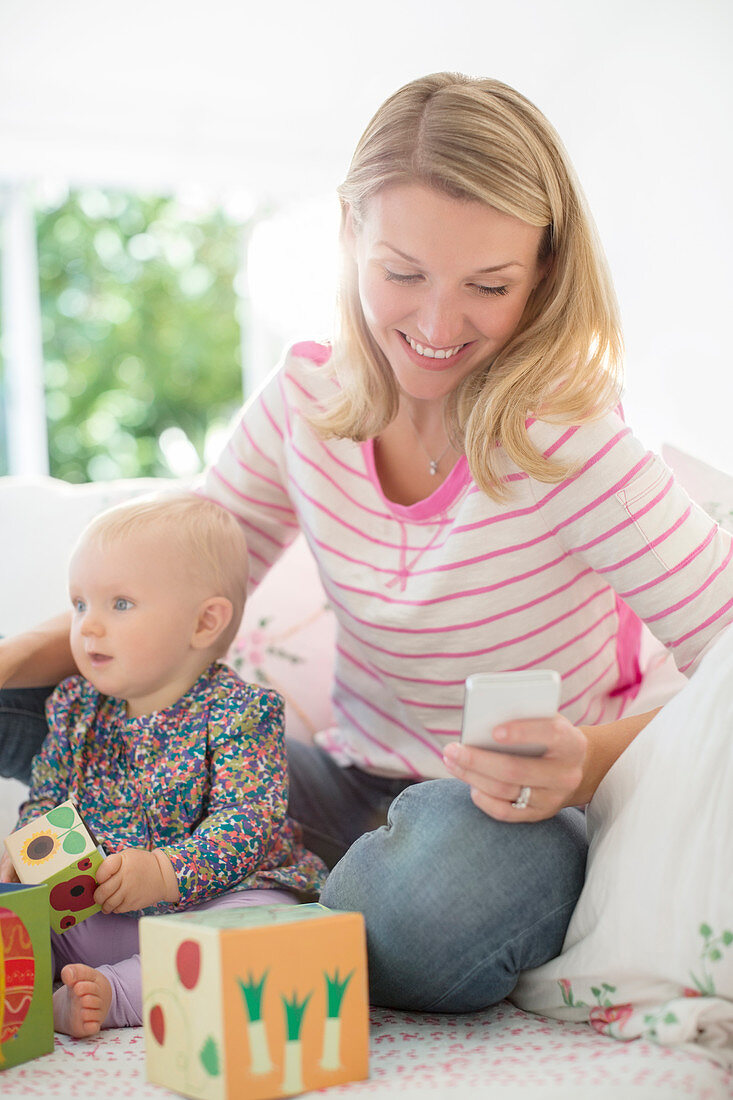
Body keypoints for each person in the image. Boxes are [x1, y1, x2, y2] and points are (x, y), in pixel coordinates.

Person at [1, 73, 732, 1015]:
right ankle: (250, 920)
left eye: (489, 286)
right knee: (27, 700)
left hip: (497, 824)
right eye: (402, 273)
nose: (435, 326)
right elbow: (167, 603)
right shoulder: (307, 402)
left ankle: (237, 925)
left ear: (544, 270)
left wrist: (588, 759)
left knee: (437, 900)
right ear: (348, 233)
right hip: (327, 790)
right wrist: (13, 660)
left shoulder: (569, 438)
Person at [0, 493, 326, 1037]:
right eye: (80, 604)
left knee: (268, 925)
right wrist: (25, 854)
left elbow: (246, 822)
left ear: (204, 623)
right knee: (14, 915)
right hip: (96, 915)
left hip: (216, 901)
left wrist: (167, 873)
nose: (87, 627)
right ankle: (43, 998)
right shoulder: (73, 707)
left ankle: (116, 993)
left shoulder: (240, 711)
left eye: (119, 605)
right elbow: (45, 800)